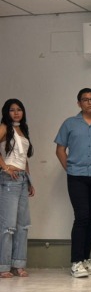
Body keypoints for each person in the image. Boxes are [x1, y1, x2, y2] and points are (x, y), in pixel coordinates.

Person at [55, 88, 91, 278]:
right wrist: (70, 169)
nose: (89, 102)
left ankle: (86, 259)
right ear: (79, 103)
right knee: (81, 217)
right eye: (85, 99)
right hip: (76, 176)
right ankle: (76, 261)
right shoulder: (69, 124)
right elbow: (60, 150)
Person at [0, 99, 34, 278]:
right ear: (6, 112)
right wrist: (5, 167)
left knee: (23, 224)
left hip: (22, 178)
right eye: (12, 110)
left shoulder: (23, 129)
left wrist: (29, 181)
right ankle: (3, 266)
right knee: (8, 225)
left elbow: (24, 158)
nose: (16, 113)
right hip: (8, 179)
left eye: (19, 109)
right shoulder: (4, 127)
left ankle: (18, 264)